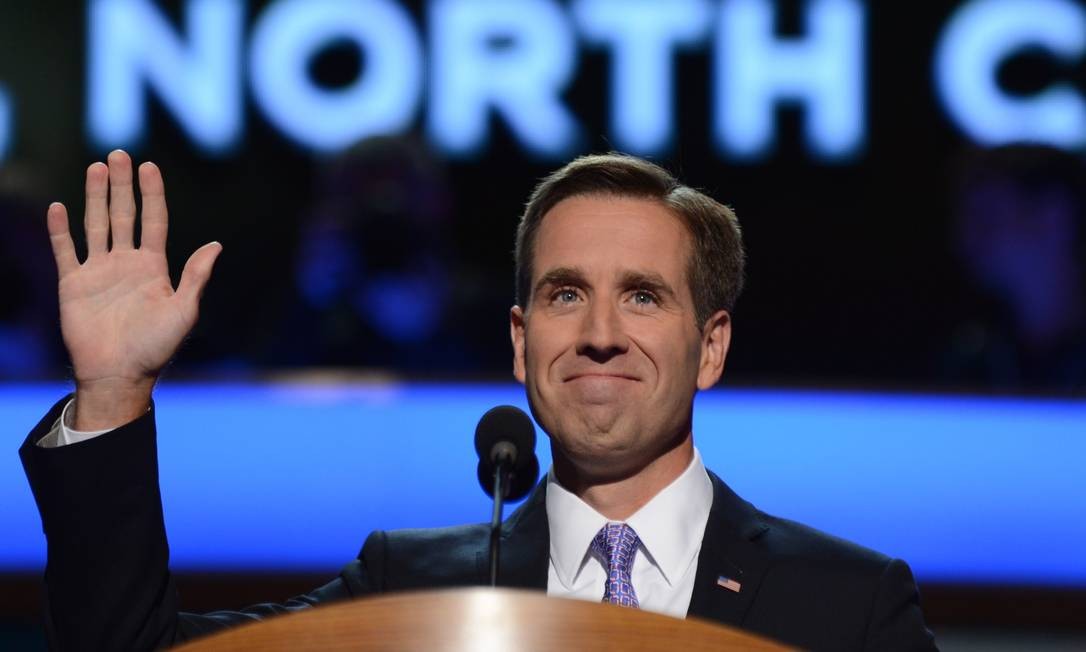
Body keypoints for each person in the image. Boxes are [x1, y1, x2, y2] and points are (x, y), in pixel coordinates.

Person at [20, 150, 936, 650]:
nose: (600, 333)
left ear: (713, 347)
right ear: (520, 342)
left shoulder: (848, 605)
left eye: (643, 296)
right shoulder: (411, 588)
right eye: (565, 294)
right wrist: (113, 390)